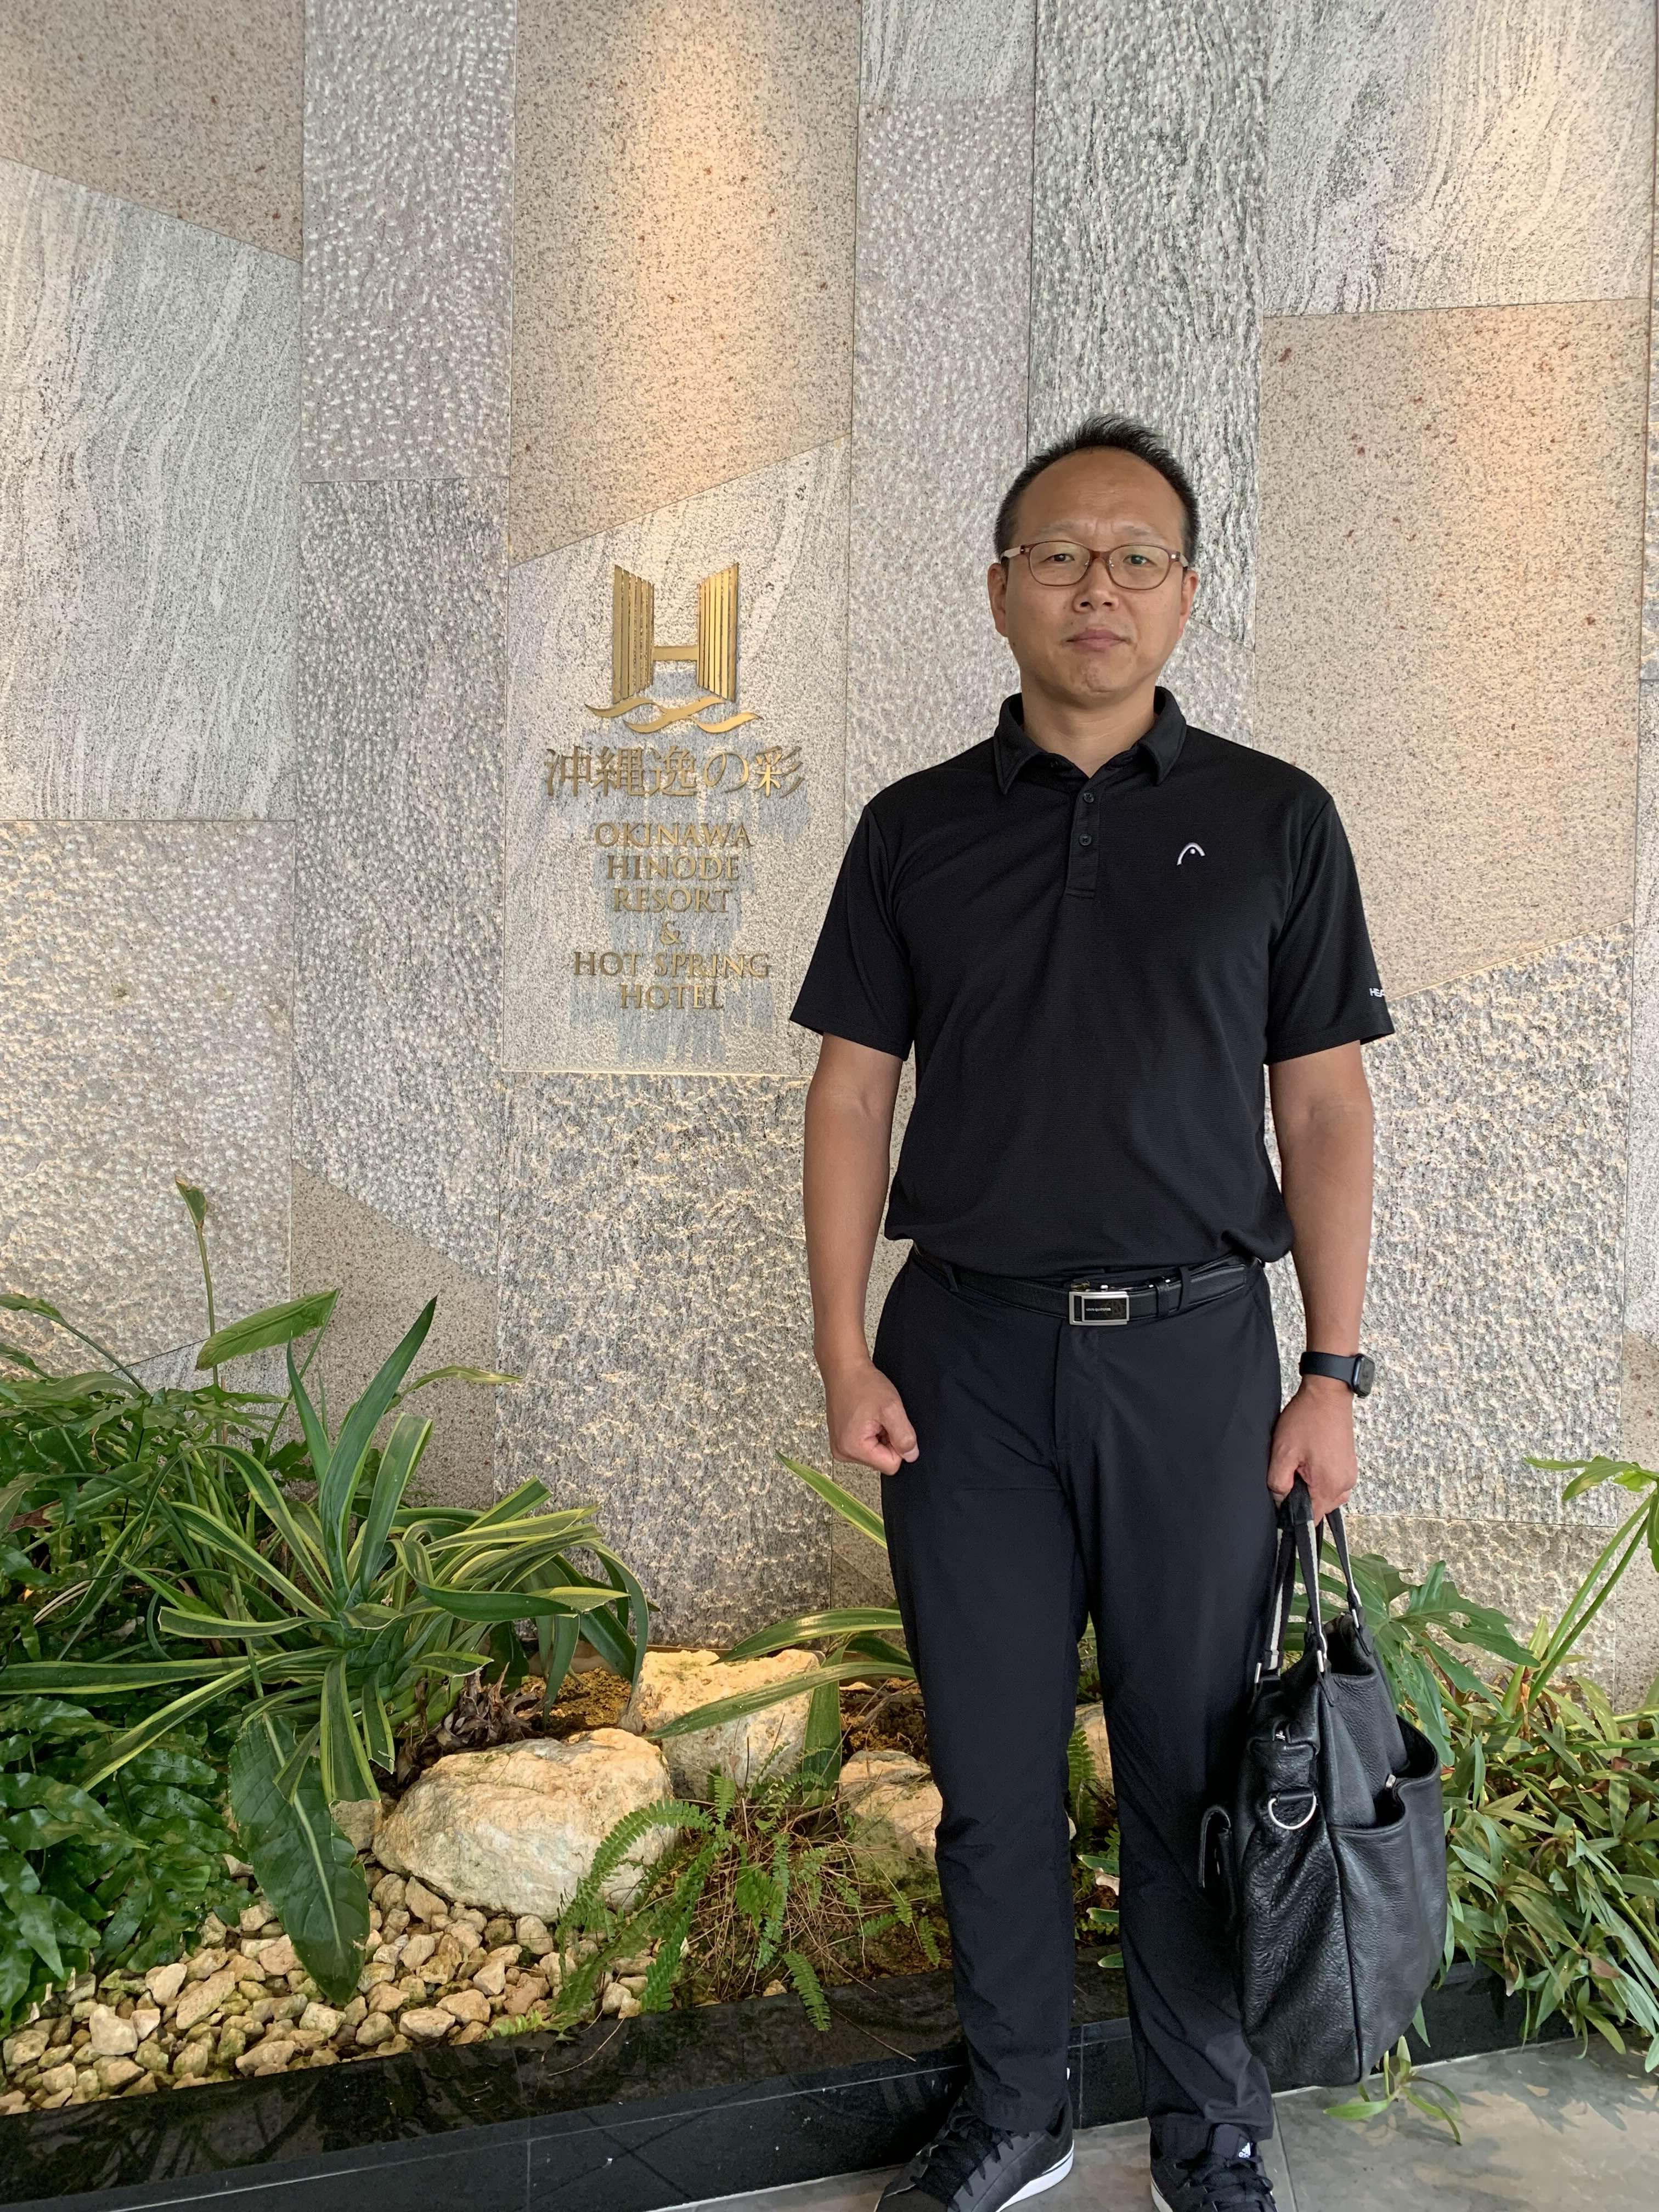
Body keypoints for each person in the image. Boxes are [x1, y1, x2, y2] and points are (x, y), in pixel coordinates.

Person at [786, 414, 1393, 2212]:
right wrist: (843, 1346)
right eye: (1059, 556)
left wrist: (1331, 1369)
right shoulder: (915, 832)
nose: (1096, 588)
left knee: (1195, 1771)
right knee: (990, 1771)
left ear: (1186, 597)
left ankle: (1213, 2131)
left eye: (1136, 558)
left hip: (1199, 1361)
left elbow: (1326, 1107)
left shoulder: (1278, 821)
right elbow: (851, 1093)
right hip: (961, 1362)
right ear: (1000, 592)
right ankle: (1019, 2110)